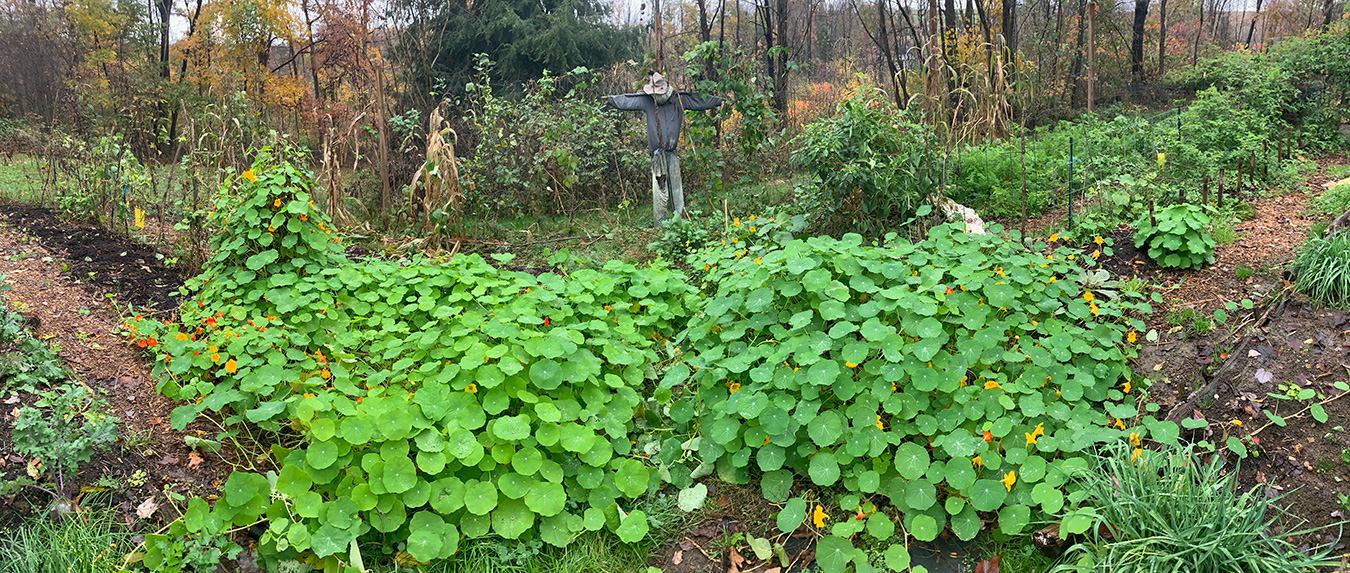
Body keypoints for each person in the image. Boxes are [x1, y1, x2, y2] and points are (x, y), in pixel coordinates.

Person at [606, 72, 722, 225]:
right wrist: (611, 101)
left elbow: (699, 101)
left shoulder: (678, 99)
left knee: (676, 191)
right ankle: (660, 225)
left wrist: (718, 101)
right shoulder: (648, 101)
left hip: (672, 152)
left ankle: (678, 221)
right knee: (660, 192)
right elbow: (628, 101)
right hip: (657, 155)